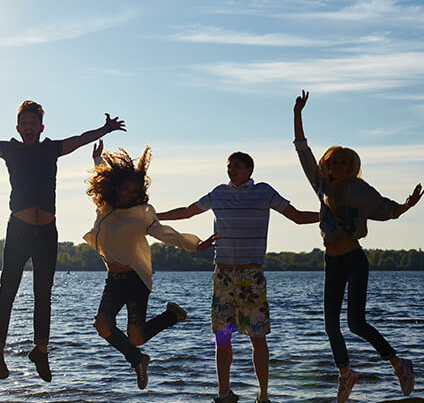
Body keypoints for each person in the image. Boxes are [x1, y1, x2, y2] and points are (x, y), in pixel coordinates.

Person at [0, 100, 125, 381]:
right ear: (19, 128)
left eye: (35, 124)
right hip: (19, 230)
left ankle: (41, 351)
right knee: (7, 292)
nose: (30, 128)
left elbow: (79, 141)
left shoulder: (51, 149)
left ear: (41, 127)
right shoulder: (10, 150)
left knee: (42, 295)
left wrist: (104, 128)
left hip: (47, 232)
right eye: (26, 124)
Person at [158, 150, 319, 403]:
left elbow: (297, 217)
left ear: (249, 170)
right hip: (223, 276)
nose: (231, 171)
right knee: (222, 339)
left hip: (251, 276)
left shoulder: (264, 192)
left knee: (258, 338)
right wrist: (153, 216)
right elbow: (187, 212)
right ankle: (224, 394)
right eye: (229, 167)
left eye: (236, 167)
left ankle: (263, 395)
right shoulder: (219, 193)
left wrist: (330, 216)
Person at [292, 90, 420, 402]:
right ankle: (346, 374)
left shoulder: (360, 190)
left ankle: (399, 364)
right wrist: (297, 115)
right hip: (331, 261)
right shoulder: (321, 186)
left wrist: (406, 205)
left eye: (344, 163)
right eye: (334, 162)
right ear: (329, 164)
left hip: (353, 259)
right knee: (331, 326)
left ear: (352, 166)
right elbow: (303, 152)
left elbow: (385, 209)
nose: (337, 166)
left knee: (356, 322)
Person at [83, 141, 217, 389]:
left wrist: (196, 245)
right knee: (102, 325)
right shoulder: (105, 207)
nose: (130, 195)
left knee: (136, 337)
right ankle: (138, 360)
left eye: (135, 191)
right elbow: (105, 177)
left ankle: (172, 316)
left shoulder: (141, 214)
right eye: (126, 189)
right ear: (116, 188)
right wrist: (97, 161)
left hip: (135, 279)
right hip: (113, 280)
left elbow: (166, 233)